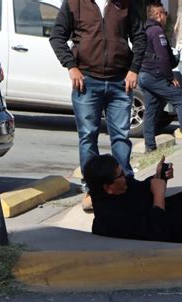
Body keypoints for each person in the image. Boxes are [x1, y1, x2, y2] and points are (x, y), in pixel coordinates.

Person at [49, 0, 146, 210]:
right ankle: (92, 189)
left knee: (121, 136)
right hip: (86, 81)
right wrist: (71, 66)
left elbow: (139, 37)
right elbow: (57, 37)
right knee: (87, 136)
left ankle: (124, 184)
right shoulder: (74, 3)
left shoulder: (126, 4)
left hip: (120, 81)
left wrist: (134, 69)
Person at [139, 3, 182, 152]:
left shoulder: (146, 30)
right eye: (165, 13)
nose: (166, 16)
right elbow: (162, 58)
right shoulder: (157, 32)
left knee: (151, 110)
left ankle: (150, 146)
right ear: (159, 15)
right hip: (155, 76)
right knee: (181, 100)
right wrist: (169, 77)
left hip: (145, 75)